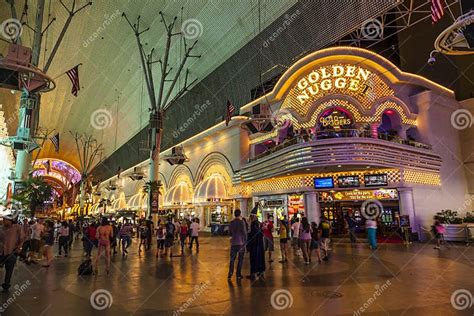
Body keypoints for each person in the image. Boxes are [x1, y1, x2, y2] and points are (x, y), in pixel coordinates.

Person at [0, 212, 23, 291]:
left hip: (11, 252)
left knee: (9, 270)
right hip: (1, 252)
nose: (3, 221)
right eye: (3, 219)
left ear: (10, 220)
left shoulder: (17, 228)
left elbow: (22, 238)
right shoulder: (1, 228)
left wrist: (19, 247)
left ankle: (6, 284)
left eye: (5, 220)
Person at [228, 209, 247, 280]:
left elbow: (229, 233)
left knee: (232, 259)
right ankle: (238, 274)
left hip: (233, 243)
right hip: (241, 243)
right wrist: (245, 243)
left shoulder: (231, 222)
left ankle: (230, 273)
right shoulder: (242, 222)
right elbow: (244, 233)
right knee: (240, 259)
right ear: (240, 214)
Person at [246, 214, 265, 280]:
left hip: (254, 246)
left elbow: (251, 237)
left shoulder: (253, 225)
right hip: (260, 245)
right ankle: (260, 271)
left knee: (253, 259)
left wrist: (248, 246)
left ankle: (253, 273)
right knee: (260, 259)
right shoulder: (259, 224)